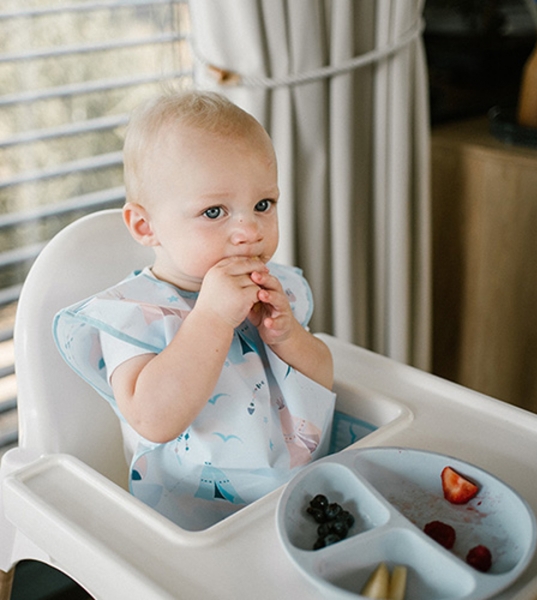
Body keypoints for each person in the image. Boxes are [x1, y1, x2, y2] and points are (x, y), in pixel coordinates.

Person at [54, 90, 336, 530]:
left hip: (303, 496)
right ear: (145, 226)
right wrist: (212, 319)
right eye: (214, 211)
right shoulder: (133, 315)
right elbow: (153, 419)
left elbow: (323, 380)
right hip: (200, 526)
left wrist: (288, 337)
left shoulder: (270, 288)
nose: (249, 230)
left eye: (263, 205)